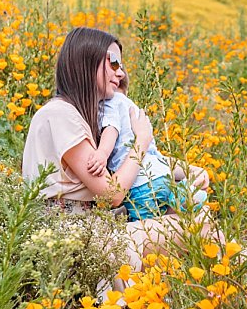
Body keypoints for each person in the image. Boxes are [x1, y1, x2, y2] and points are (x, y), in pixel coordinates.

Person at [21, 27, 219, 301]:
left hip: (93, 233)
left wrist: (186, 170)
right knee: (200, 225)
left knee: (193, 218)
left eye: (121, 65)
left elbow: (126, 163)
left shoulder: (81, 116)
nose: (120, 72)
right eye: (112, 62)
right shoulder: (59, 115)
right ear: (85, 61)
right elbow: (112, 194)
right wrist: (142, 138)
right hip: (77, 243)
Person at [86, 69, 208, 221]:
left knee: (145, 228)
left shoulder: (111, 101)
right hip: (162, 175)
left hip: (141, 183)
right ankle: (183, 195)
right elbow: (153, 154)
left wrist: (102, 153)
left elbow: (111, 128)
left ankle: (182, 199)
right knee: (167, 223)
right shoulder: (135, 111)